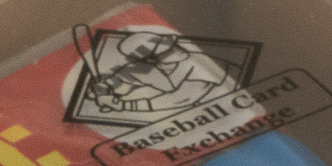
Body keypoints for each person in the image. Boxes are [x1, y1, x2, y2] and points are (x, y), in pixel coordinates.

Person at [80, 30, 233, 121]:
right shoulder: (143, 70)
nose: (176, 49)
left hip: (218, 118)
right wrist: (104, 88)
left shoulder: (200, 67)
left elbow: (182, 97)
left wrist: (120, 105)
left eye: (172, 45)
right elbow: (123, 78)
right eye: (168, 50)